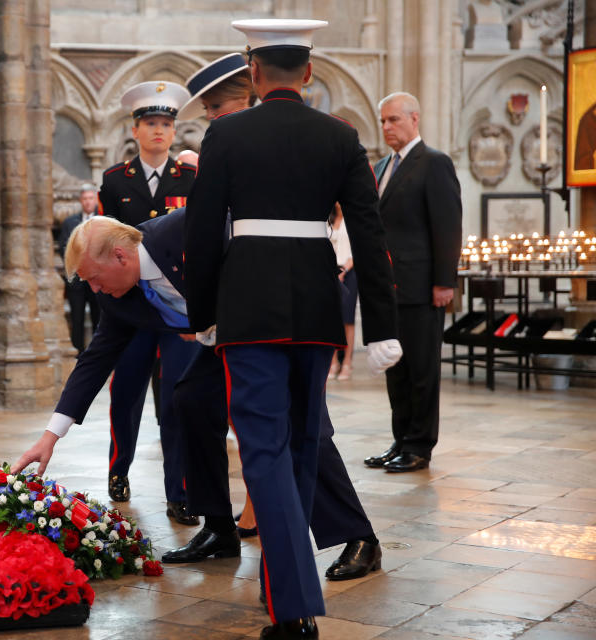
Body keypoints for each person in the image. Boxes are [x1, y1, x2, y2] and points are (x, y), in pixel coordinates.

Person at [183, 19, 402, 639]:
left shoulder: (226, 134)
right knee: (301, 444)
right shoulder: (342, 137)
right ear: (308, 73)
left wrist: (202, 315)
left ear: (253, 73)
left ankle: (293, 606)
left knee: (264, 452)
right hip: (316, 306)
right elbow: (369, 234)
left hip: (248, 308)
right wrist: (380, 326)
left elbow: (202, 235)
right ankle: (288, 588)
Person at [10, 213, 201, 524]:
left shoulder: (182, 229)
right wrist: (50, 437)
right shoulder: (115, 298)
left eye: (95, 278)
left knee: (190, 407)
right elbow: (94, 361)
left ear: (120, 255)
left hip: (250, 331)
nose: (95, 290)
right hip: (211, 339)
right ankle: (219, 530)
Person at [95, 81, 199, 521]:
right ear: (135, 129)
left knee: (176, 399)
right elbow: (102, 245)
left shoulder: (190, 177)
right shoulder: (116, 180)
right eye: (150, 123)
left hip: (177, 309)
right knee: (127, 393)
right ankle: (119, 468)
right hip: (134, 308)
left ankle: (179, 491)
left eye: (166, 124)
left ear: (174, 131)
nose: (159, 131)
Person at [365, 92, 462, 474]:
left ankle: (420, 445)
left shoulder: (434, 163)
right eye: (383, 121)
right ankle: (400, 440)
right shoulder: (382, 166)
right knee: (397, 368)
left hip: (423, 286)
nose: (387, 127)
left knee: (422, 370)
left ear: (414, 119)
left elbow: (448, 226)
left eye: (394, 120)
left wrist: (444, 282)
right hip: (389, 287)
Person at [58, 185, 101, 353]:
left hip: (99, 279)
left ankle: (99, 353)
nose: (88, 202)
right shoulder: (70, 222)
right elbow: (63, 246)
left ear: (95, 200)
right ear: (80, 201)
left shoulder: (103, 219)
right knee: (77, 318)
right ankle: (78, 353)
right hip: (76, 279)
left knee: (99, 318)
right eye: (85, 199)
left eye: (91, 198)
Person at [328, 203, 357, 381]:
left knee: (347, 319)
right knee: (330, 318)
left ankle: (347, 362)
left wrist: (344, 271)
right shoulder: (327, 218)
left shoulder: (351, 219)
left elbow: (356, 250)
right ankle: (333, 362)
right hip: (330, 271)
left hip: (350, 271)